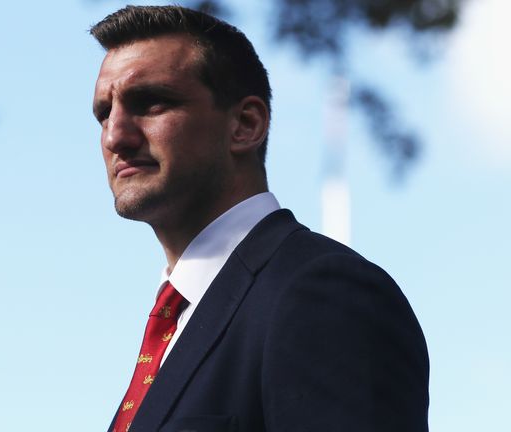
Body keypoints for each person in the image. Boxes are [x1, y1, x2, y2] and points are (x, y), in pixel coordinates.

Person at [90, 5, 429, 432]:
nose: (115, 135)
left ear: (245, 125)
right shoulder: (174, 323)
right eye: (104, 113)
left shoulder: (322, 294)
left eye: (152, 102)